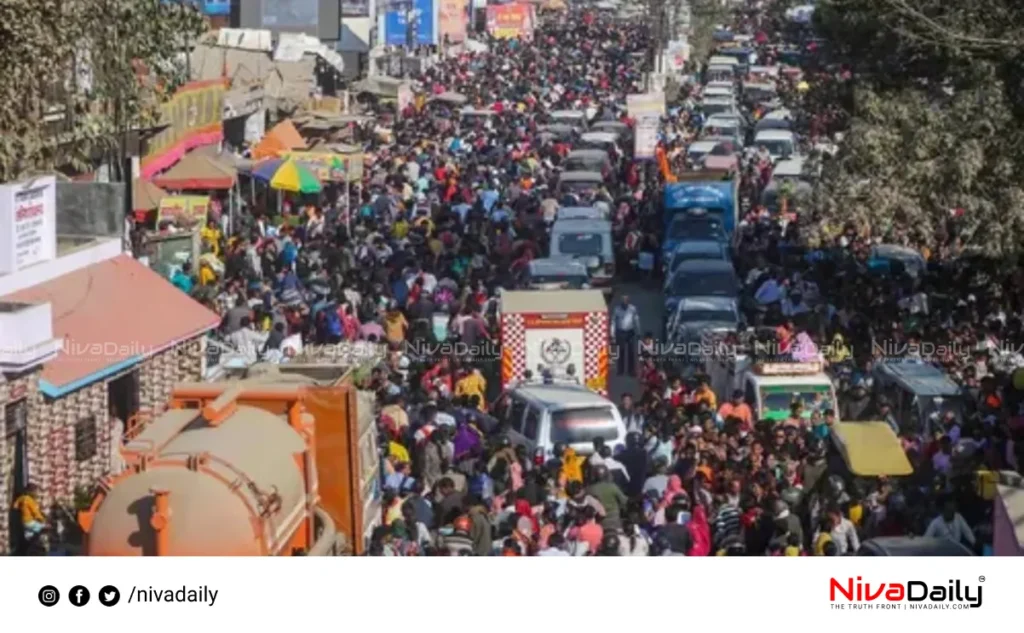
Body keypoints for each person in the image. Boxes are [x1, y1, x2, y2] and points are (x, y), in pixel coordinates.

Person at [612, 295, 640, 376]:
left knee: (631, 352)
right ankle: (621, 370)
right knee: (621, 351)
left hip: (630, 332)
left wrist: (638, 332)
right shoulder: (617, 309)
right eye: (623, 302)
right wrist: (612, 334)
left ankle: (631, 371)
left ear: (628, 302)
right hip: (620, 332)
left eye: (626, 302)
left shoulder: (632, 309)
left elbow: (636, 320)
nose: (624, 304)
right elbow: (613, 322)